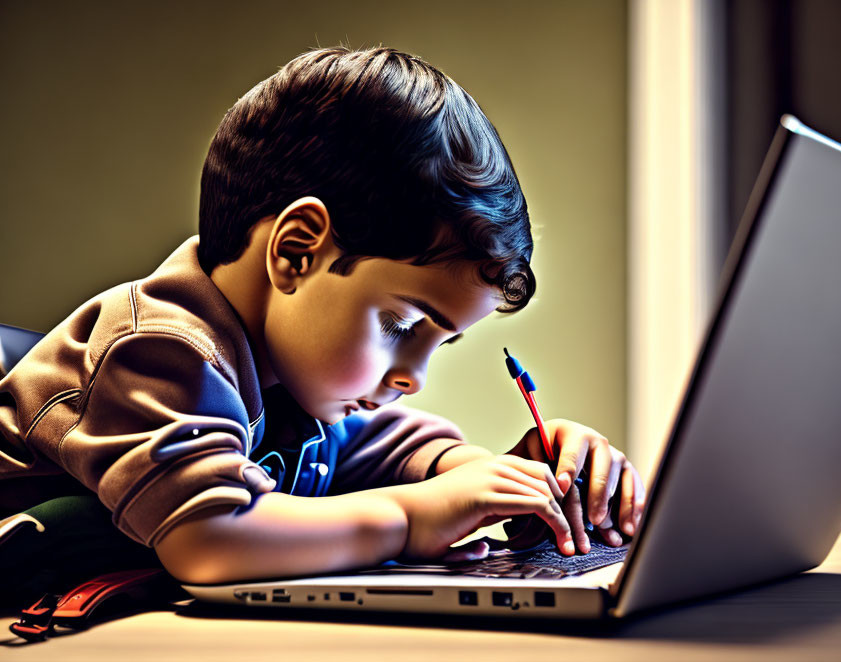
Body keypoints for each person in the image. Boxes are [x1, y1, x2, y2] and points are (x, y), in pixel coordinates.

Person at [0, 46, 645, 587]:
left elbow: (387, 449)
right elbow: (208, 540)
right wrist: (413, 517)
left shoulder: (289, 377)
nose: (412, 377)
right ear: (297, 251)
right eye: (399, 325)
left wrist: (493, 474)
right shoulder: (157, 351)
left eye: (438, 344)